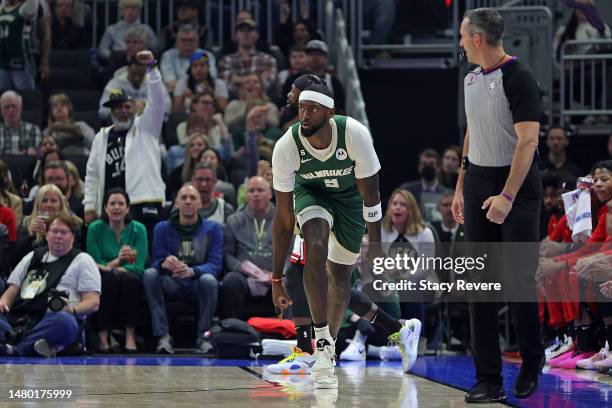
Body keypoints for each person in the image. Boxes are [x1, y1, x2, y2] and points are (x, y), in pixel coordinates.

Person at [271, 84, 416, 389]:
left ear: (330, 113)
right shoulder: (287, 145)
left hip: (350, 201)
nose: (304, 115)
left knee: (339, 278)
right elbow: (283, 219)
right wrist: (275, 279)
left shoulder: (354, 134)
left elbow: (372, 196)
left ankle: (338, 343)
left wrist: (375, 247)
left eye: (312, 109)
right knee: (314, 246)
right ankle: (321, 347)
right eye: (301, 108)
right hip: (311, 195)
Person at [454, 8, 544, 402]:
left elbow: (528, 142)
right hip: (477, 180)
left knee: (518, 279)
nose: (458, 42)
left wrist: (507, 196)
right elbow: (472, 129)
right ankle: (488, 378)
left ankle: (531, 359)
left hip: (517, 185)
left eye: (462, 36)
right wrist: (461, 185)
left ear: (477, 38)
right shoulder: (471, 77)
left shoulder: (519, 76)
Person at [84, 50, 166, 248]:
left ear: (136, 107)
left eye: (127, 106)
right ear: (111, 111)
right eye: (117, 107)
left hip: (143, 202)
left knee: (143, 260)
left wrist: (152, 70)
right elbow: (92, 175)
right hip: (111, 207)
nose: (122, 110)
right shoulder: (101, 137)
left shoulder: (147, 126)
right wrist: (89, 205)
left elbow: (158, 101)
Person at [0, 213, 100, 357]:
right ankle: (31, 345)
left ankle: (14, 348)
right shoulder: (33, 256)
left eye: (64, 232)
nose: (58, 236)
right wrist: (3, 303)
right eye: (54, 231)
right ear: (46, 235)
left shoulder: (83, 260)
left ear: (72, 236)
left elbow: (93, 302)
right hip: (19, 318)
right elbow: (12, 290)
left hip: (52, 318)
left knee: (65, 322)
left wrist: (72, 309)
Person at [143, 185, 223, 354]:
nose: (188, 201)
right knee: (150, 275)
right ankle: (163, 337)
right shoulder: (162, 228)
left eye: (193, 198)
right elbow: (155, 261)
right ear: (176, 203)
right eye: (184, 198)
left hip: (196, 283)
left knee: (209, 280)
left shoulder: (213, 229)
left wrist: (192, 271)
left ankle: (204, 337)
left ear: (200, 204)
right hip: (171, 282)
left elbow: (215, 265)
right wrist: (163, 262)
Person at [87, 188, 147, 353]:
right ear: (105, 208)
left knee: (131, 280)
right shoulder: (94, 228)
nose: (116, 207)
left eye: (121, 203)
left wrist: (114, 267)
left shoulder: (139, 229)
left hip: (129, 277)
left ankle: (130, 335)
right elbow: (93, 263)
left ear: (128, 208)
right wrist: (118, 261)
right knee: (108, 280)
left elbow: (140, 266)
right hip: (103, 276)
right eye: (112, 203)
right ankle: (103, 335)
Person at [220, 176, 275, 319]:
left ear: (270, 194)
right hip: (245, 276)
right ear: (246, 195)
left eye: (260, 190)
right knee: (231, 280)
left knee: (294, 281)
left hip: (277, 276)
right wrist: (248, 271)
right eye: (251, 190)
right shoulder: (234, 220)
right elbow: (228, 256)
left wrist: (279, 274)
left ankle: (291, 332)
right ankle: (233, 328)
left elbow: (291, 253)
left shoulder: (284, 219)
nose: (256, 194)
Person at [14, 184, 83, 267]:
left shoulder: (73, 224)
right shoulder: (26, 223)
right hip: (34, 269)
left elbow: (77, 255)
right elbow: (15, 259)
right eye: (44, 201)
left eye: (53, 201)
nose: (49, 205)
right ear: (38, 204)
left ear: (61, 204)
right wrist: (30, 236)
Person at [99, 57, 172, 122]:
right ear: (128, 69)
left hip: (147, 125)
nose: (137, 78)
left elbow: (167, 107)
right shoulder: (116, 84)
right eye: (133, 74)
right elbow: (103, 111)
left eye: (141, 75)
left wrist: (146, 107)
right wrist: (125, 110)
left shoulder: (154, 84)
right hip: (121, 124)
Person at [217, 18, 277, 96]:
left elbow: (266, 85)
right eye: (241, 30)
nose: (245, 33)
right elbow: (227, 87)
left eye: (249, 30)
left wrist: (236, 79)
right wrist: (256, 80)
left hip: (262, 102)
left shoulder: (268, 59)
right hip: (235, 103)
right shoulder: (225, 60)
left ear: (257, 35)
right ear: (236, 36)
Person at [160, 24, 216, 94]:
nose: (187, 43)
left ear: (198, 42)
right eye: (183, 40)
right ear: (176, 42)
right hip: (175, 95)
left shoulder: (207, 55)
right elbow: (169, 82)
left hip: (201, 94)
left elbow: (210, 79)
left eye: (191, 40)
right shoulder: (167, 56)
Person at [400, 149, 450, 222]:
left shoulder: (446, 193)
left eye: (431, 164)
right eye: (424, 164)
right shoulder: (407, 190)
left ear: (439, 168)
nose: (428, 167)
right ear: (419, 168)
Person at [0, 0, 39, 90]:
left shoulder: (25, 8)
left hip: (20, 59)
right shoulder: (1, 8)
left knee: (26, 95)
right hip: (2, 60)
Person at [0, 91, 41, 156]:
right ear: (1, 111)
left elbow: (33, 157)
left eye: (14, 106)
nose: (11, 110)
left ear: (21, 109)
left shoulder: (33, 129)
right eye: (7, 107)